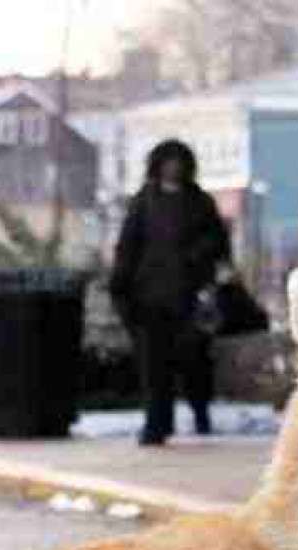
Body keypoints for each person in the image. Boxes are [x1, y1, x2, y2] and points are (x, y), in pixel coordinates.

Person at [108, 138, 231, 446]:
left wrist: (196, 260)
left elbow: (219, 243)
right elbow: (127, 246)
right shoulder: (143, 202)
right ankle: (156, 425)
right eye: (167, 161)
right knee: (153, 366)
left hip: (189, 297)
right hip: (149, 297)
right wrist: (121, 283)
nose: (173, 167)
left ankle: (200, 410)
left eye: (178, 161)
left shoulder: (200, 202)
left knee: (194, 362)